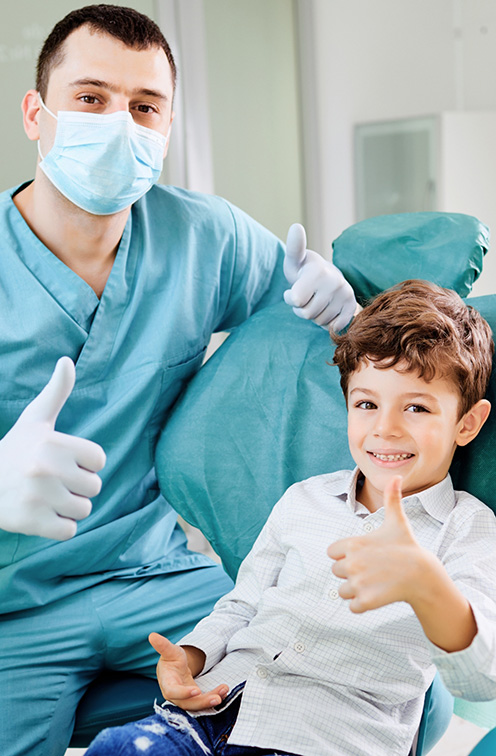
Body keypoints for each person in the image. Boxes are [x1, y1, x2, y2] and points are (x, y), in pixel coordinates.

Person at [0, 5, 359, 756]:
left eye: (144, 107)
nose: (119, 123)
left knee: (359, 682)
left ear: (166, 128)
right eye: (90, 99)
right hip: (13, 605)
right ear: (36, 115)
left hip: (154, 575)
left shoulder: (204, 234)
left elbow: (305, 312)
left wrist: (340, 306)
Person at [86, 279, 496, 756]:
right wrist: (193, 656)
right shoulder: (305, 499)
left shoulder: (468, 529)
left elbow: (480, 676)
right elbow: (244, 605)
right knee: (114, 748)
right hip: (212, 712)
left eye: (417, 407)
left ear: (466, 423)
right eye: (367, 404)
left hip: (326, 738)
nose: (385, 428)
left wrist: (428, 586)